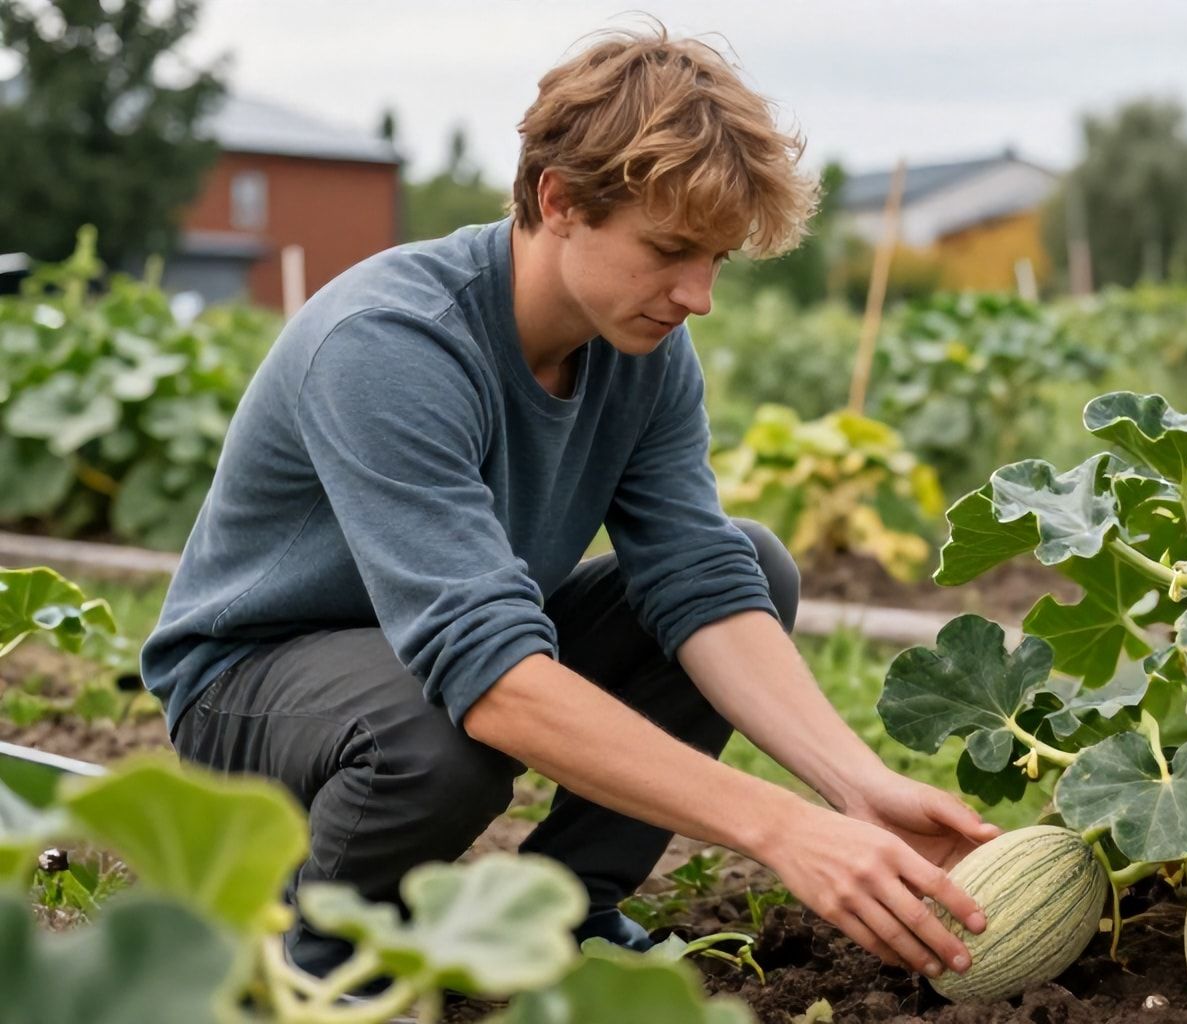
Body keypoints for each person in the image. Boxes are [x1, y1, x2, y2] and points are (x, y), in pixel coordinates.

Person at [141, 25, 996, 989]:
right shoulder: (390, 342)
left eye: (717, 259)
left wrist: (856, 788)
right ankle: (321, 963)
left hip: (429, 656)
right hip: (250, 688)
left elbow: (697, 579)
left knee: (749, 563)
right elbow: (492, 679)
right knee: (438, 732)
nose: (699, 295)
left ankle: (567, 909)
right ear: (558, 200)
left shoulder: (643, 349)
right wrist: (781, 828)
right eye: (671, 249)